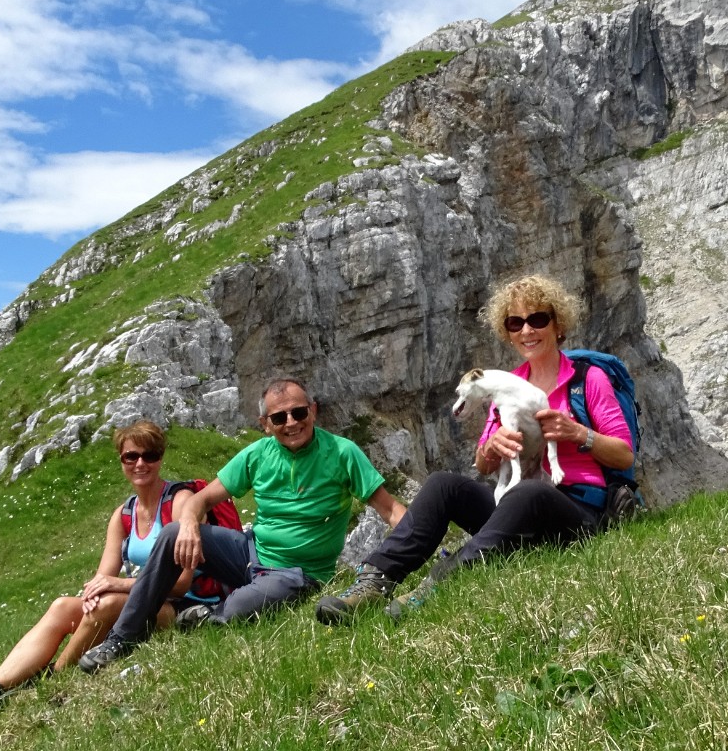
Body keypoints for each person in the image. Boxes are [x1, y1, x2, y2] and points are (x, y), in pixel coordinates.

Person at [315, 273, 634, 623]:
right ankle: (373, 583)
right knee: (442, 485)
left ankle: (442, 581)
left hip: (576, 512)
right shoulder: (504, 385)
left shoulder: (588, 379)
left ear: (558, 324)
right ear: (507, 332)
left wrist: (579, 433)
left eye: (538, 319)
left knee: (529, 493)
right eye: (516, 323)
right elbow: (482, 466)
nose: (527, 330)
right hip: (516, 507)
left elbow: (623, 454)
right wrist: (492, 448)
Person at [79, 377, 406, 672]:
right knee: (173, 532)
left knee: (241, 607)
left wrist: (419, 543)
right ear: (266, 424)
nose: (291, 423)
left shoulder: (342, 453)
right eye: (279, 417)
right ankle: (120, 639)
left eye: (299, 413)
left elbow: (389, 509)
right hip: (250, 552)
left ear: (314, 411)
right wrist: (190, 524)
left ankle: (205, 619)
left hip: (298, 572)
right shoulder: (258, 454)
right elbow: (200, 499)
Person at [0, 420, 207, 729]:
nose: (140, 463)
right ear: (121, 460)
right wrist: (94, 593)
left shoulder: (180, 501)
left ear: (161, 458)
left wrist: (117, 585)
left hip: (177, 607)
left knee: (105, 606)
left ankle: (50, 682)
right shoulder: (124, 514)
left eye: (150, 455)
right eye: (131, 456)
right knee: (63, 606)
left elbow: (182, 582)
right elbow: (101, 578)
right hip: (134, 602)